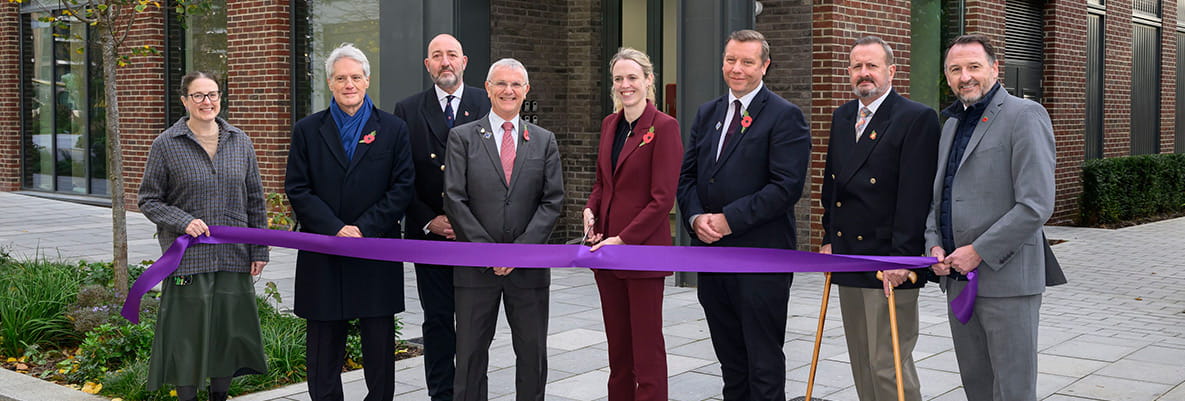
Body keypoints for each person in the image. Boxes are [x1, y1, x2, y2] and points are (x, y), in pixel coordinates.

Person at [925, 34, 1065, 401]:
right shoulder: (952, 124)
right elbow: (940, 195)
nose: (965, 76)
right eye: (955, 70)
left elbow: (1035, 204)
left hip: (1007, 281)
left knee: (1013, 389)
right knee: (977, 386)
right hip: (957, 280)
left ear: (994, 68)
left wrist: (979, 251)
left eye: (974, 66)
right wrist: (933, 244)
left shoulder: (1025, 115)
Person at [676, 29, 811, 401]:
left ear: (764, 66)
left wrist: (727, 219)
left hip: (760, 260)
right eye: (731, 60)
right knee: (731, 364)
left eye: (747, 61)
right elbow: (687, 178)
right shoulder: (708, 114)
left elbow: (785, 188)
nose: (737, 68)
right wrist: (695, 218)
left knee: (763, 367)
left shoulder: (786, 117)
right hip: (713, 259)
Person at [284, 43, 415, 401]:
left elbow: (402, 187)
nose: (349, 84)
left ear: (367, 80)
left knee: (379, 346)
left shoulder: (393, 128)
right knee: (323, 346)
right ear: (330, 82)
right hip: (323, 251)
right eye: (341, 78)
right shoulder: (307, 130)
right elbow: (297, 188)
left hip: (374, 250)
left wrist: (363, 228)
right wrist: (335, 228)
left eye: (355, 77)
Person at [819, 36, 939, 401]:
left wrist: (901, 257)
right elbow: (832, 184)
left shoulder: (915, 118)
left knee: (888, 363)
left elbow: (915, 196)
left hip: (888, 259)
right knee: (860, 358)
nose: (863, 73)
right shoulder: (842, 116)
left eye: (871, 65)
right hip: (848, 255)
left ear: (891, 70)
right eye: (856, 66)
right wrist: (828, 238)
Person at [139, 71, 268, 401]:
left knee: (226, 331)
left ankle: (219, 397)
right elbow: (149, 199)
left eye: (212, 94)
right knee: (186, 334)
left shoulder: (240, 141)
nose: (206, 102)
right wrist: (182, 221)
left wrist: (259, 250)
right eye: (198, 96)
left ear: (220, 98)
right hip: (185, 263)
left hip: (233, 258)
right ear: (185, 101)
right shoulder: (166, 145)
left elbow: (255, 199)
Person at [443, 58, 564, 401]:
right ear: (488, 88)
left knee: (532, 357)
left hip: (528, 272)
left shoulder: (544, 140)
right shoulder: (462, 138)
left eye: (515, 84)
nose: (508, 91)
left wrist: (518, 252)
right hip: (475, 270)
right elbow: (454, 198)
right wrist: (490, 251)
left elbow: (552, 201)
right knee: (469, 357)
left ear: (526, 90)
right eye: (501, 84)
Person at [392, 33, 491, 401]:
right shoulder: (407, 109)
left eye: (452, 55)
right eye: (437, 56)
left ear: (465, 61)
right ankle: (441, 394)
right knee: (437, 322)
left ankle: (472, 392)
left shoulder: (487, 102)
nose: (445, 61)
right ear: (427, 65)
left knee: (474, 324)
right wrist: (428, 220)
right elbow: (402, 176)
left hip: (476, 237)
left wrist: (468, 221)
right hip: (430, 236)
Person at [582, 47, 682, 401]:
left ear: (648, 80)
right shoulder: (610, 124)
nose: (626, 85)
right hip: (606, 254)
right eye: (619, 79)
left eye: (632, 78)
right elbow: (601, 182)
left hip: (642, 255)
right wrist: (591, 211)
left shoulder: (665, 128)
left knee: (647, 349)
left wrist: (623, 239)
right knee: (618, 351)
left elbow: (662, 200)